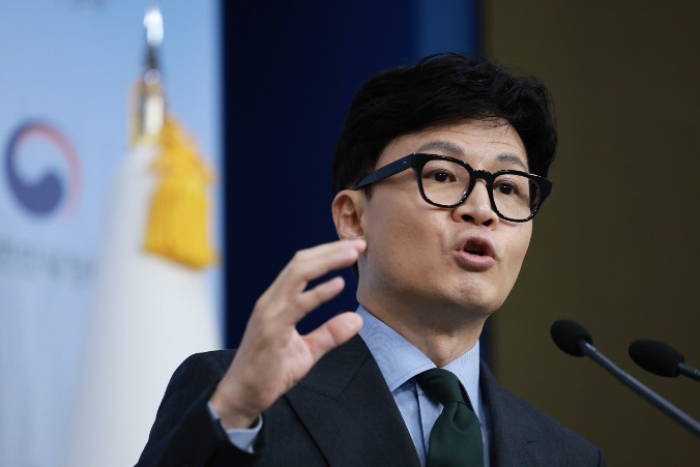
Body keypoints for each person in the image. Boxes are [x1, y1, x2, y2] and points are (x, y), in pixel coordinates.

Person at [136, 53, 606, 466]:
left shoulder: (568, 456)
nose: (481, 209)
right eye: (442, 174)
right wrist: (234, 412)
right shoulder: (240, 398)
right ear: (353, 219)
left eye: (507, 187)